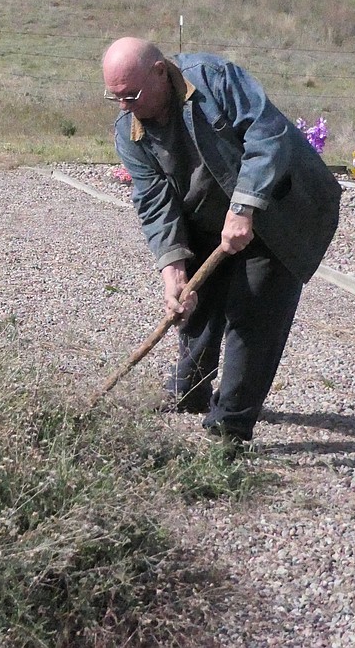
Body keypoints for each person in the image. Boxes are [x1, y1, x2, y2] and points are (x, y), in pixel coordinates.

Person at [102, 37, 341, 443]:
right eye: (115, 98)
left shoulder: (214, 80)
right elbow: (154, 203)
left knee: (254, 310)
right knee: (194, 301)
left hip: (278, 206)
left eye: (132, 95)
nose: (125, 106)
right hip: (210, 216)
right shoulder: (130, 132)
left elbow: (267, 136)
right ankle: (191, 391)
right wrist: (172, 270)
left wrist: (245, 207)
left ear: (161, 72)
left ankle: (230, 425)